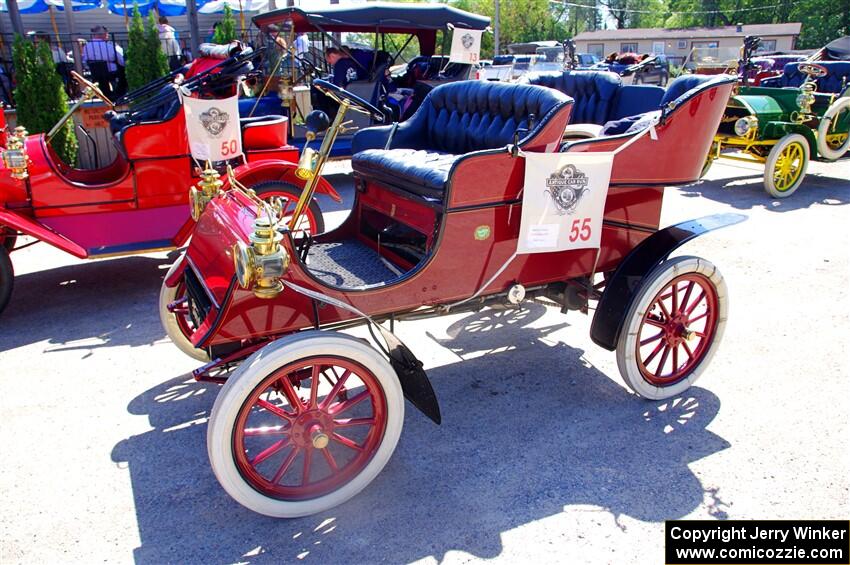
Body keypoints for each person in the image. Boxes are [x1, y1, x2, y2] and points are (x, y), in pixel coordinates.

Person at [82, 25, 125, 97]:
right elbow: (119, 59)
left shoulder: (87, 46)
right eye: (106, 34)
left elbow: (85, 60)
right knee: (122, 73)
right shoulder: (108, 46)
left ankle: (106, 95)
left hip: (95, 72)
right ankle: (119, 95)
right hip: (110, 71)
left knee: (103, 81)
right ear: (104, 34)